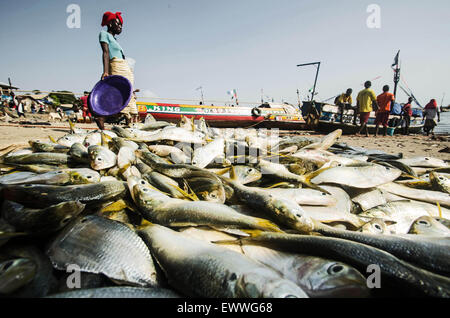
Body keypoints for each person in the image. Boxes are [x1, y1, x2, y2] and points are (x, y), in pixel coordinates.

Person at [94, 11, 136, 130]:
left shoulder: (115, 39)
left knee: (129, 95)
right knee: (121, 96)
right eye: (118, 24)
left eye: (121, 25)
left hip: (124, 66)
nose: (120, 27)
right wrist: (106, 71)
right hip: (116, 65)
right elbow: (106, 53)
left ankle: (129, 124)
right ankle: (101, 117)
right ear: (111, 23)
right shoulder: (104, 34)